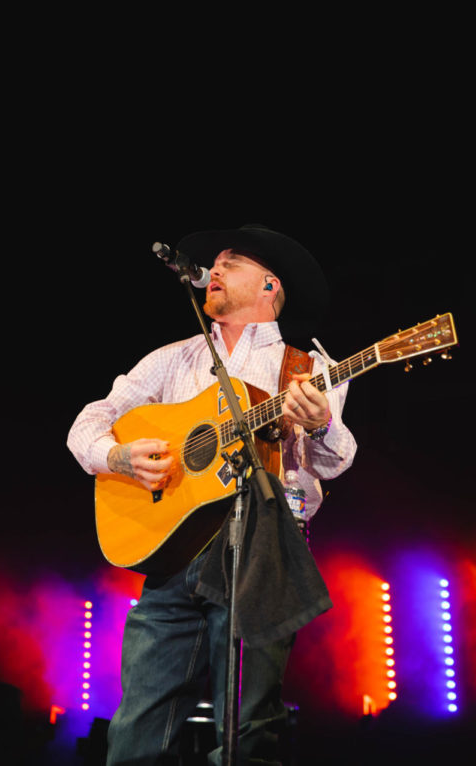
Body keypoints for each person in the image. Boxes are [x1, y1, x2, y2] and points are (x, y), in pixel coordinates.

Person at [67, 225, 357, 766]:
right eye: (214, 264)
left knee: (247, 732)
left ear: (270, 286)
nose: (214, 270)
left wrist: (318, 427)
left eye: (231, 263)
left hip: (263, 549)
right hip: (175, 550)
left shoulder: (308, 369)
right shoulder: (171, 359)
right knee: (137, 732)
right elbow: (91, 420)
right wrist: (118, 457)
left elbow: (331, 463)